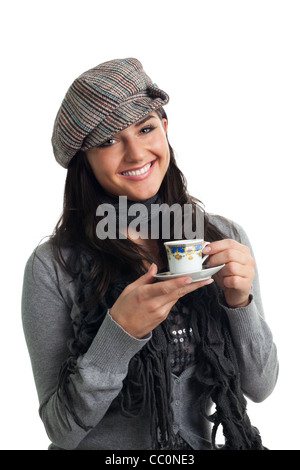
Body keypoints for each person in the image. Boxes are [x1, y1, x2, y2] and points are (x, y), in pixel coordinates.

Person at [21, 58, 279, 451]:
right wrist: (119, 332)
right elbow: (63, 430)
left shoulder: (222, 236)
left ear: (165, 128)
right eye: (108, 141)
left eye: (145, 129)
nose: (136, 153)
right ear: (83, 159)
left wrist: (239, 302)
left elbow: (260, 386)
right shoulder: (52, 266)